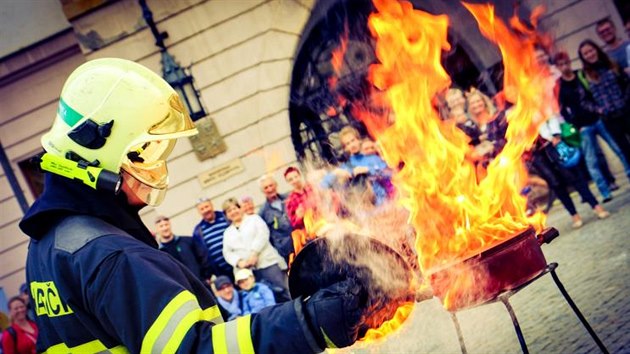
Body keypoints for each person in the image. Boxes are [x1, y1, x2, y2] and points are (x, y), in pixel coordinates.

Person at [19, 58, 367, 353]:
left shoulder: (48, 244)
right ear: (98, 154)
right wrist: (313, 320)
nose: (156, 168)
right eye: (147, 153)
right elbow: (196, 348)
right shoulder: (110, 255)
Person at [554, 51, 627, 201]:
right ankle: (605, 192)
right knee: (591, 160)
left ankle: (627, 172)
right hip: (583, 127)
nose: (564, 66)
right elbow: (563, 111)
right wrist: (575, 127)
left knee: (618, 148)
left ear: (569, 61)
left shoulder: (580, 75)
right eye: (561, 64)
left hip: (597, 119)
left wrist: (600, 111)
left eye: (566, 62)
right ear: (557, 67)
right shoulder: (560, 86)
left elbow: (592, 93)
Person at [532, 116, 610, 228]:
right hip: (538, 154)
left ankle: (596, 206)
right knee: (556, 185)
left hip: (554, 144)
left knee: (574, 177)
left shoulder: (533, 102)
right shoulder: (510, 113)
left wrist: (555, 135)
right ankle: (574, 215)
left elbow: (550, 114)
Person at [221, 198, 291, 303]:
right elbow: (227, 253)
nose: (233, 212)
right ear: (226, 215)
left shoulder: (254, 219)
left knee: (283, 292)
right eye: (229, 211)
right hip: (249, 272)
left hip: (268, 264)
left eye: (234, 208)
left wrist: (254, 254)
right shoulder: (227, 233)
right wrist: (239, 262)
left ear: (240, 208)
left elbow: (263, 235)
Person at [578, 39, 630, 176]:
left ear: (597, 49)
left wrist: (625, 100)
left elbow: (626, 83)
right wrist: (599, 109)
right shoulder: (584, 75)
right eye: (585, 53)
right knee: (625, 149)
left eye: (591, 50)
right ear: (583, 57)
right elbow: (583, 101)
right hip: (610, 119)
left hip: (625, 112)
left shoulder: (612, 64)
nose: (589, 54)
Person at [336, 126, 393, 206]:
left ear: (359, 140)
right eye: (347, 144)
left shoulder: (373, 158)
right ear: (345, 148)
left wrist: (369, 170)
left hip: (383, 203)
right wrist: (341, 179)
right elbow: (340, 192)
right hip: (363, 209)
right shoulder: (345, 167)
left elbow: (390, 174)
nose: (352, 145)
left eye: (353, 140)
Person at [155, 215, 214, 283]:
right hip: (181, 290)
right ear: (157, 229)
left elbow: (203, 257)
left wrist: (206, 277)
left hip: (200, 283)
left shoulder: (188, 241)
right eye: (161, 226)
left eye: (166, 224)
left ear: (170, 225)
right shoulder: (159, 252)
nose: (165, 228)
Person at [192, 197, 234, 280]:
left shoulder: (226, 217)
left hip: (238, 263)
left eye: (207, 206)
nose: (205, 210)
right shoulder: (198, 231)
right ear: (199, 212)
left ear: (212, 205)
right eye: (202, 209)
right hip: (221, 272)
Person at [258, 174, 294, 263]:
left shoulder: (290, 197)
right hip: (287, 250)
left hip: (303, 240)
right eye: (266, 188)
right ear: (262, 191)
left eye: (271, 185)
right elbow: (267, 235)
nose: (270, 189)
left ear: (276, 185)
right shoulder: (263, 212)